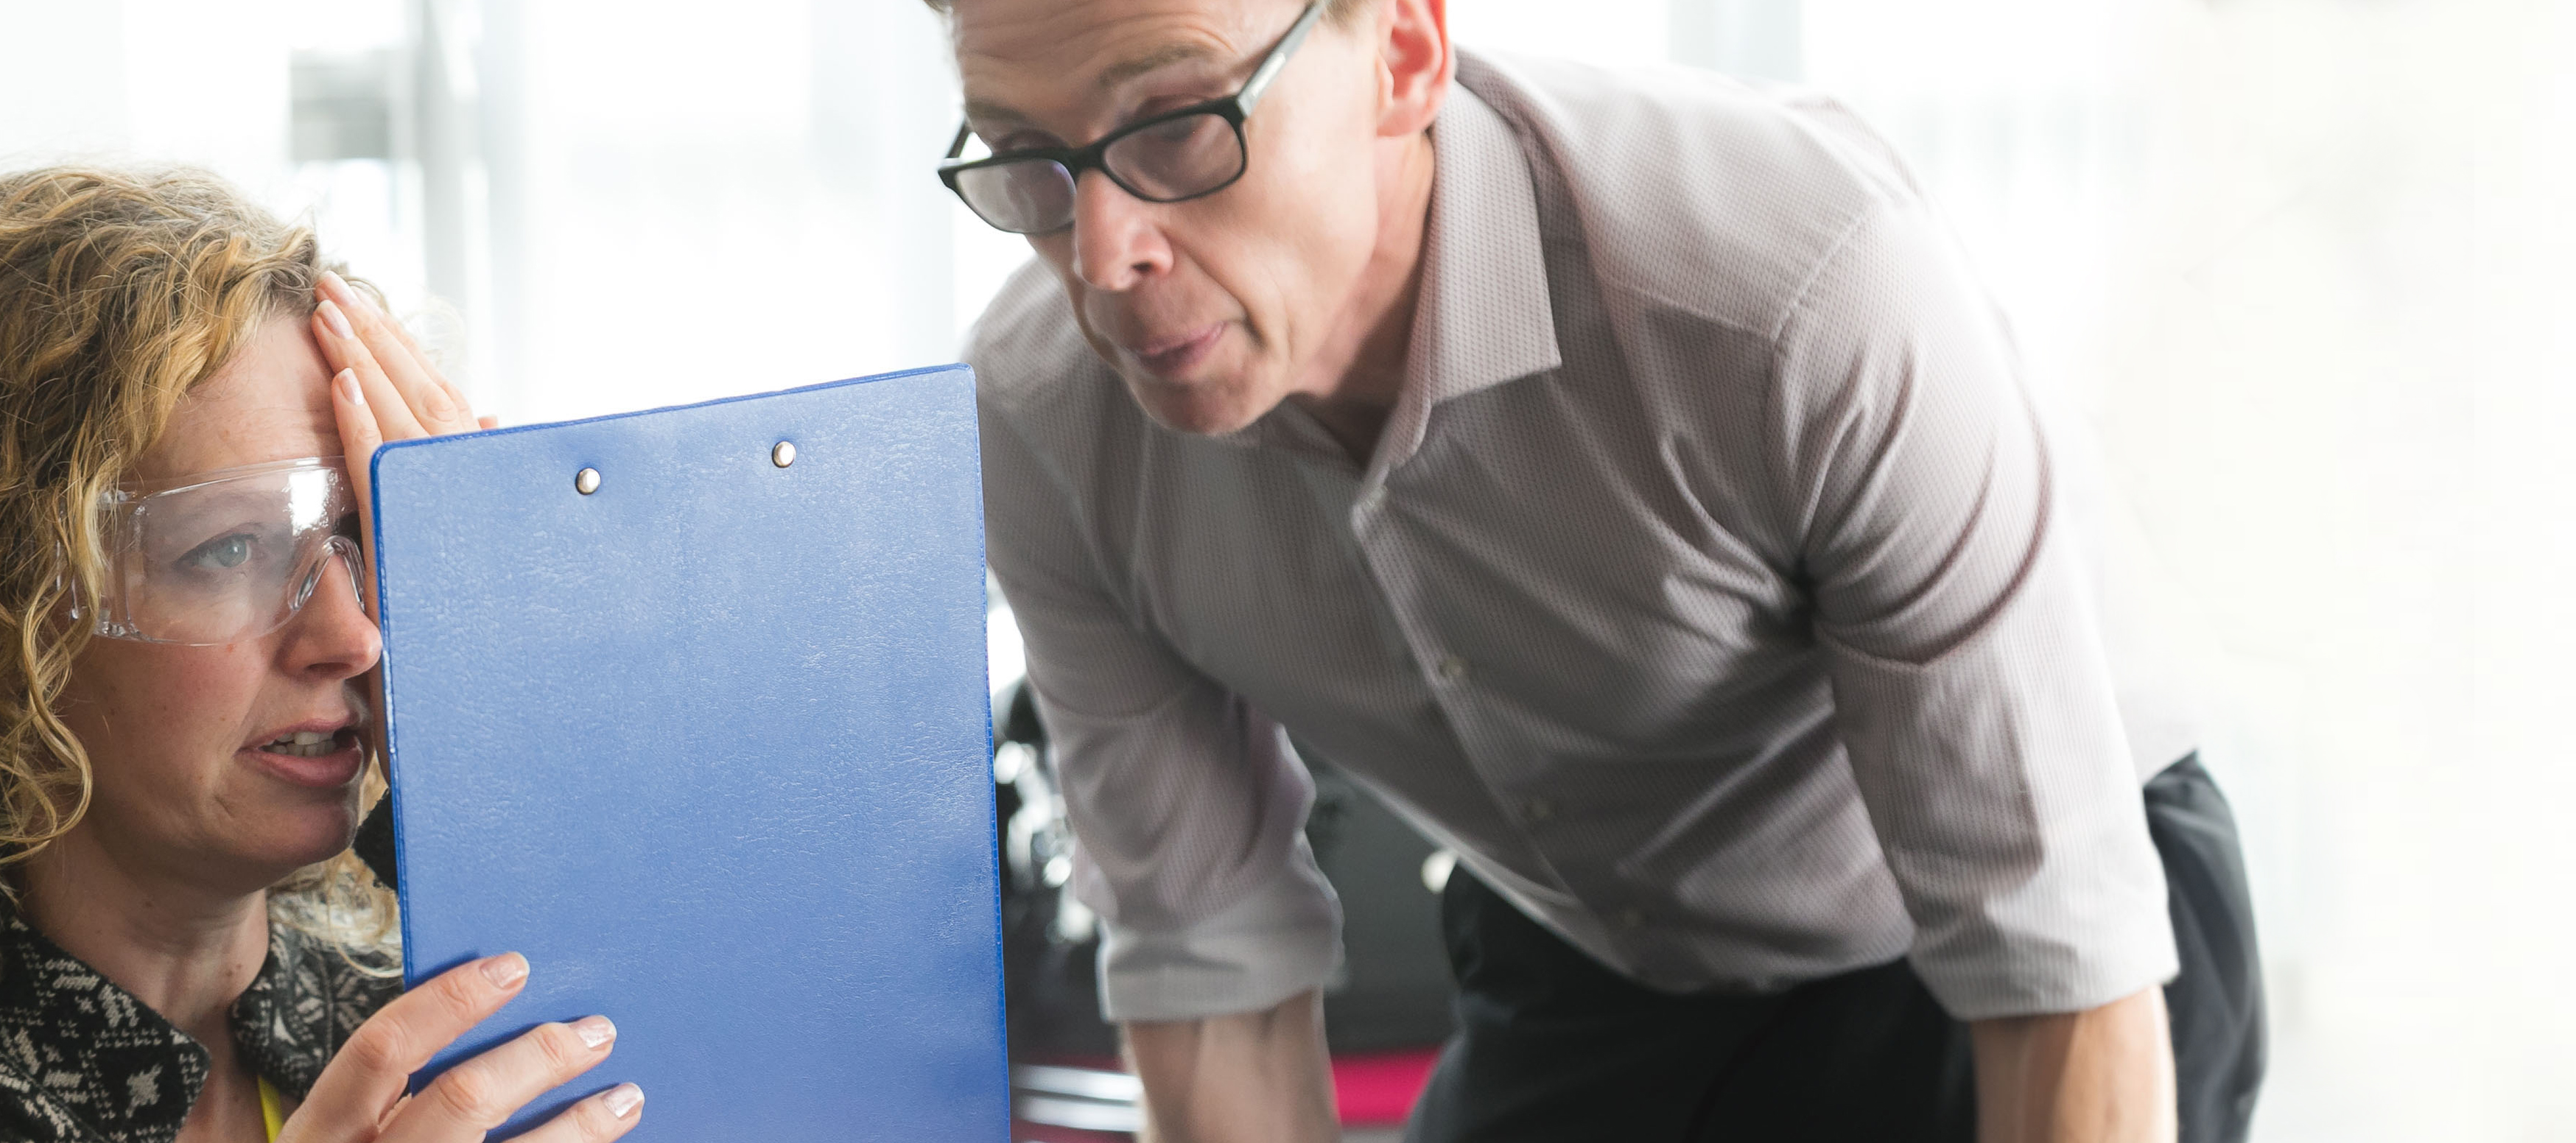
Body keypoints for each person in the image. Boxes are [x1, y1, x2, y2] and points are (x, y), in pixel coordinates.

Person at [941, 1, 2263, 1141]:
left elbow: (2053, 953)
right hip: (1605, 945)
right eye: (1024, 159)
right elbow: (1204, 957)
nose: (1104, 260)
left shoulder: (1785, 290)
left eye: (1176, 127)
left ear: (1402, 54)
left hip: (2010, 915)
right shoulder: (1042, 417)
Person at [0, 166, 641, 1143]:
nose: (352, 636)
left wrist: (509, 692)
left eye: (371, 541)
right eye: (229, 547)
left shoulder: (471, 1049)